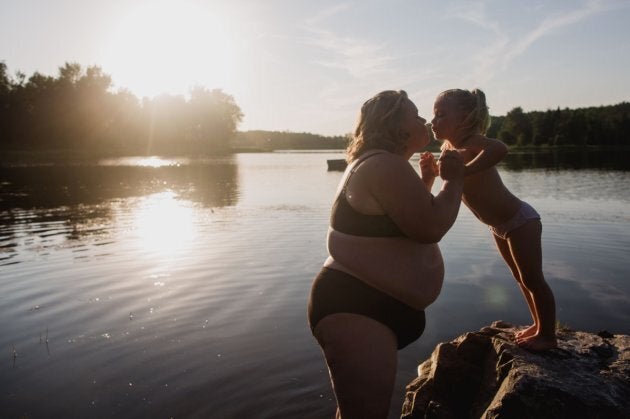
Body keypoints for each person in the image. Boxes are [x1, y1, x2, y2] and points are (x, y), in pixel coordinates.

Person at [307, 90, 465, 419]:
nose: (424, 120)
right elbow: (431, 226)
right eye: (416, 114)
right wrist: (453, 182)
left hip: (365, 306)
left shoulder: (381, 163)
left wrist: (425, 183)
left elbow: (401, 222)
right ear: (394, 125)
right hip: (356, 307)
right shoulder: (383, 164)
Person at [427, 88, 557, 352]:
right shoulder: (447, 148)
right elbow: (452, 180)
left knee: (533, 278)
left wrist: (464, 171)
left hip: (520, 221)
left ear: (463, 118)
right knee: (520, 277)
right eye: (434, 115)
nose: (433, 121)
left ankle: (548, 335)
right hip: (499, 227)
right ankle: (537, 324)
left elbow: (500, 148)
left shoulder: (472, 141)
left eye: (441, 115)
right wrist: (432, 171)